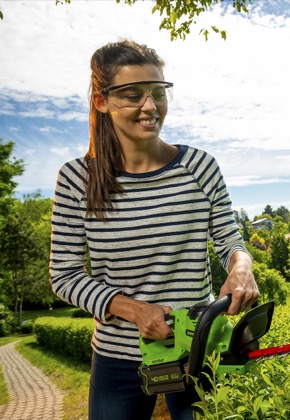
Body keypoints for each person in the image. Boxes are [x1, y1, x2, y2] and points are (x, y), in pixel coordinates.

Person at [49, 39, 259, 420]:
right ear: (102, 101)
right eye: (132, 95)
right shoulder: (77, 179)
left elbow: (230, 238)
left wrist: (241, 266)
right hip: (118, 360)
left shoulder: (199, 166)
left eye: (158, 93)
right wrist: (133, 310)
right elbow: (63, 274)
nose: (150, 107)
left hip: (197, 350)